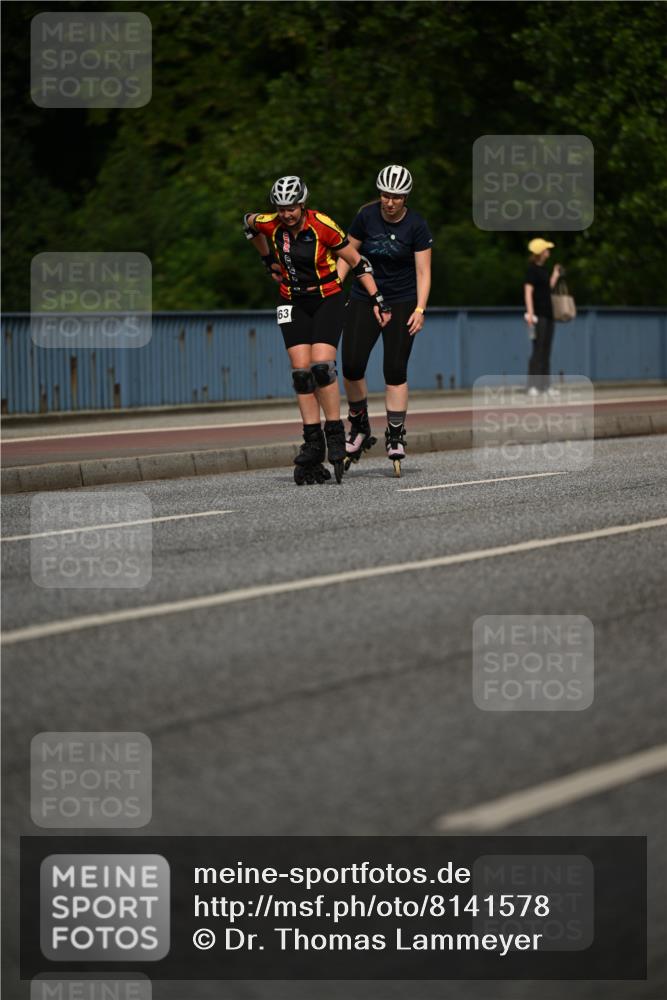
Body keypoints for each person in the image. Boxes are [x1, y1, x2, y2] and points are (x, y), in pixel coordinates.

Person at [243, 176, 390, 484]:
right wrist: (267, 259)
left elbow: (357, 262)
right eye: (281, 208)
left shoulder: (322, 225)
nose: (286, 214)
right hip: (292, 300)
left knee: (322, 367)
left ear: (303, 204)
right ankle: (313, 441)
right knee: (301, 373)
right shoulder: (272, 223)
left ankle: (335, 433)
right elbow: (249, 223)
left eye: (292, 208)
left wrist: (377, 298)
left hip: (327, 298)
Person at [337, 164, 432, 477]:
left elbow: (423, 271)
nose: (389, 201)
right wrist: (335, 289)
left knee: (394, 369)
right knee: (350, 364)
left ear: (406, 197)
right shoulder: (366, 216)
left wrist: (420, 308)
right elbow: (347, 255)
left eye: (396, 196)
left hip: (403, 299)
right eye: (384, 195)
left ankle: (395, 434)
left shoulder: (416, 225)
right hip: (365, 296)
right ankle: (360, 425)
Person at [523, 237, 563, 398]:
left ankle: (545, 386)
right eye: (546, 249)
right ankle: (532, 386)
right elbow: (528, 292)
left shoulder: (544, 270)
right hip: (538, 316)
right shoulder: (532, 270)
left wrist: (555, 275)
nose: (549, 252)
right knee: (537, 351)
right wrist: (531, 314)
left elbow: (548, 288)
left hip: (549, 314)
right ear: (540, 253)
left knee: (546, 351)